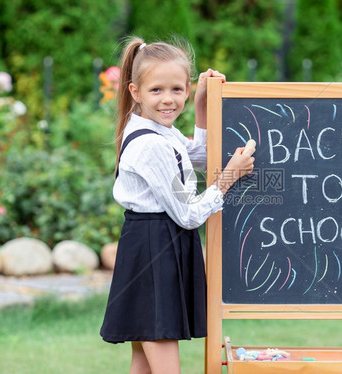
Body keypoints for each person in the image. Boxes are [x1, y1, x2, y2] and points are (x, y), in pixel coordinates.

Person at [99, 36, 255, 374]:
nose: (168, 99)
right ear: (135, 92)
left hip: (157, 246)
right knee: (163, 360)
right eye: (156, 90)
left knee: (143, 364)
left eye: (177, 90)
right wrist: (228, 177)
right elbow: (188, 213)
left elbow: (196, 157)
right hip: (155, 249)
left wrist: (201, 106)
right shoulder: (151, 144)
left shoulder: (160, 131)